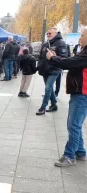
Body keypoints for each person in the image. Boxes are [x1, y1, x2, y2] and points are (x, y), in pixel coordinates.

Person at [47, 29, 87, 167]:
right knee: (76, 124)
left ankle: (69, 156)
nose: (80, 38)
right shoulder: (83, 50)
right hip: (80, 92)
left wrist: (52, 58)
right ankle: (80, 152)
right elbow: (71, 61)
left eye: (82, 35)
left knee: (73, 125)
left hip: (82, 93)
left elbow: (69, 63)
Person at [36, 28, 68, 115]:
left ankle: (43, 107)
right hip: (44, 70)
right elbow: (40, 57)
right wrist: (39, 66)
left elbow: (64, 58)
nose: (48, 35)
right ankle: (54, 105)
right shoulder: (46, 44)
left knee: (47, 88)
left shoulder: (61, 43)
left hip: (54, 70)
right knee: (49, 88)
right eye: (47, 34)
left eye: (50, 33)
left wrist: (55, 56)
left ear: (56, 33)